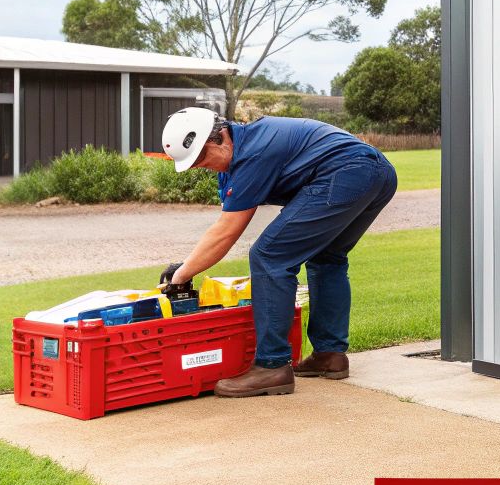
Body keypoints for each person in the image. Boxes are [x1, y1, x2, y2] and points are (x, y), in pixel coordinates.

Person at [156, 106, 397, 397]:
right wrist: (187, 266)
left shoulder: (253, 154)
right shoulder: (241, 152)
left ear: (221, 137)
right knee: (326, 257)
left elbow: (227, 232)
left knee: (269, 256)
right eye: (193, 164)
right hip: (376, 172)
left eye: (202, 157)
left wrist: (182, 275)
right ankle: (330, 356)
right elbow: (224, 224)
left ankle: (272, 366)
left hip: (349, 171)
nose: (200, 166)